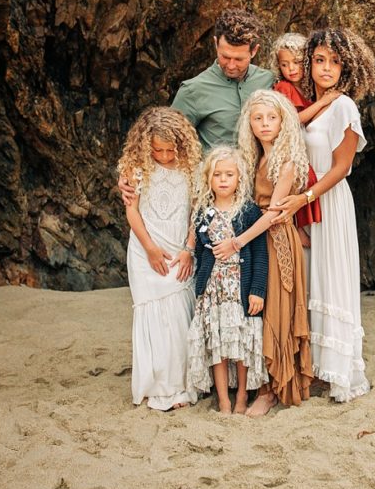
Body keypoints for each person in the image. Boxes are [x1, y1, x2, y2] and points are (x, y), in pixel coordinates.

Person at [270, 28, 375, 403]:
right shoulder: (303, 104)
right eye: (320, 60)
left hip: (328, 202)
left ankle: (340, 372)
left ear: (347, 67)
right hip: (305, 204)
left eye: (335, 61)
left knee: (331, 280)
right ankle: (316, 368)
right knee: (311, 282)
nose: (327, 68)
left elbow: (341, 167)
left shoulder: (345, 107)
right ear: (308, 64)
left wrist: (304, 198)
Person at [211, 89, 313, 416]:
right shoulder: (257, 158)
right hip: (258, 240)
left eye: (272, 117)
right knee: (257, 308)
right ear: (249, 124)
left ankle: (272, 391)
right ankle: (258, 383)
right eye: (258, 118)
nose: (265, 124)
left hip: (277, 239)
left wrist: (237, 242)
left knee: (276, 312)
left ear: (283, 121)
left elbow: (272, 213)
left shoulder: (287, 161)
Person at [118, 8, 274, 203]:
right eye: (225, 57)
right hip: (213, 196)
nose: (232, 65)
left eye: (239, 59)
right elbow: (162, 138)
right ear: (216, 44)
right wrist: (128, 173)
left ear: (254, 51)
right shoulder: (193, 90)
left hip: (262, 192)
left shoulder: (268, 80)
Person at [118, 107, 203, 411]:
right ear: (145, 145)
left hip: (180, 248)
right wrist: (151, 248)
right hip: (146, 249)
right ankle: (160, 388)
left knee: (179, 316)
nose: (165, 156)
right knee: (154, 316)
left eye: (171, 150)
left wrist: (189, 249)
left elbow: (197, 210)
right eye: (158, 150)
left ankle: (182, 384)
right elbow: (131, 211)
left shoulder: (192, 167)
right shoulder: (136, 167)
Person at [186, 146, 269, 414]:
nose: (223, 179)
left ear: (239, 178)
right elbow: (200, 252)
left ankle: (243, 396)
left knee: (241, 344)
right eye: (217, 174)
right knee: (217, 345)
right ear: (208, 179)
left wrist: (257, 290)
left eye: (229, 174)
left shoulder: (248, 212)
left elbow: (259, 254)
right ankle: (223, 400)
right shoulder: (203, 213)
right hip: (214, 291)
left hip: (239, 289)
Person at [270, 32, 340, 124]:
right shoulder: (284, 88)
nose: (291, 68)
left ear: (307, 61)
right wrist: (322, 102)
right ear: (278, 66)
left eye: (297, 62)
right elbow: (291, 122)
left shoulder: (312, 88)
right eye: (284, 65)